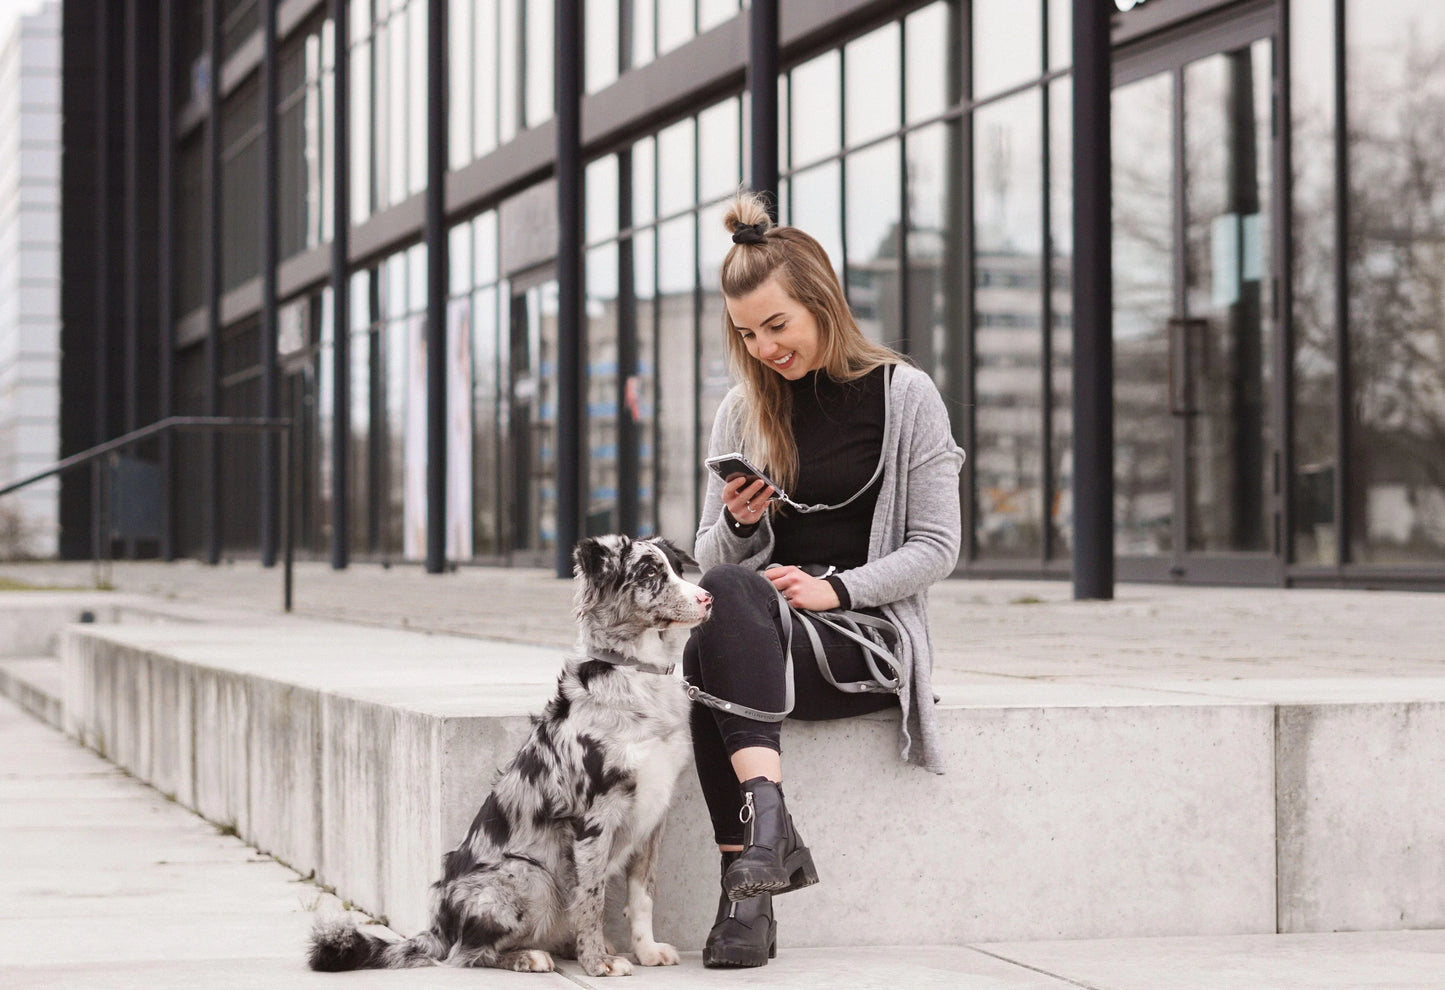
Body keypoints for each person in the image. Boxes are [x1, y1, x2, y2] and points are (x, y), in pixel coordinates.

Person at [684, 189, 965, 968]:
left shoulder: (904, 395)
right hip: (765, 631)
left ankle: (744, 893)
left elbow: (938, 546)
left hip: (860, 639)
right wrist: (741, 525)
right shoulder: (742, 411)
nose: (766, 346)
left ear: (822, 300)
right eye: (748, 333)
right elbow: (709, 559)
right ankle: (767, 834)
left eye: (777, 324)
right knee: (725, 598)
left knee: (708, 646)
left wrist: (833, 590)